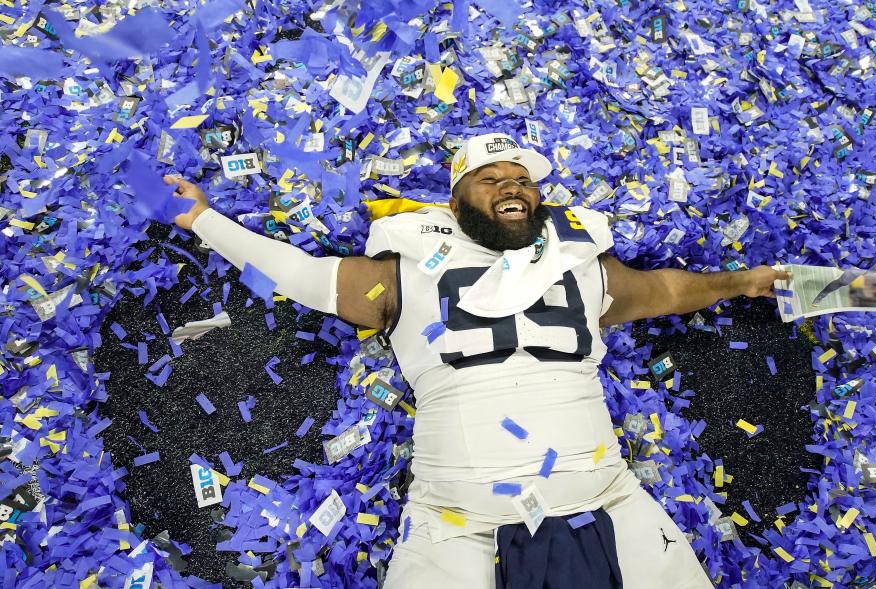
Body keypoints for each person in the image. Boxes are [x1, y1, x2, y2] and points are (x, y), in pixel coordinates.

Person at [165, 132, 790, 589]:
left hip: (608, 496)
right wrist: (204, 220)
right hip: (455, 519)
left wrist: (743, 282)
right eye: (490, 180)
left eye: (522, 180)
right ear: (457, 204)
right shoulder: (403, 272)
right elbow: (300, 273)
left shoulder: (583, 266)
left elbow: (671, 290)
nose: (512, 187)